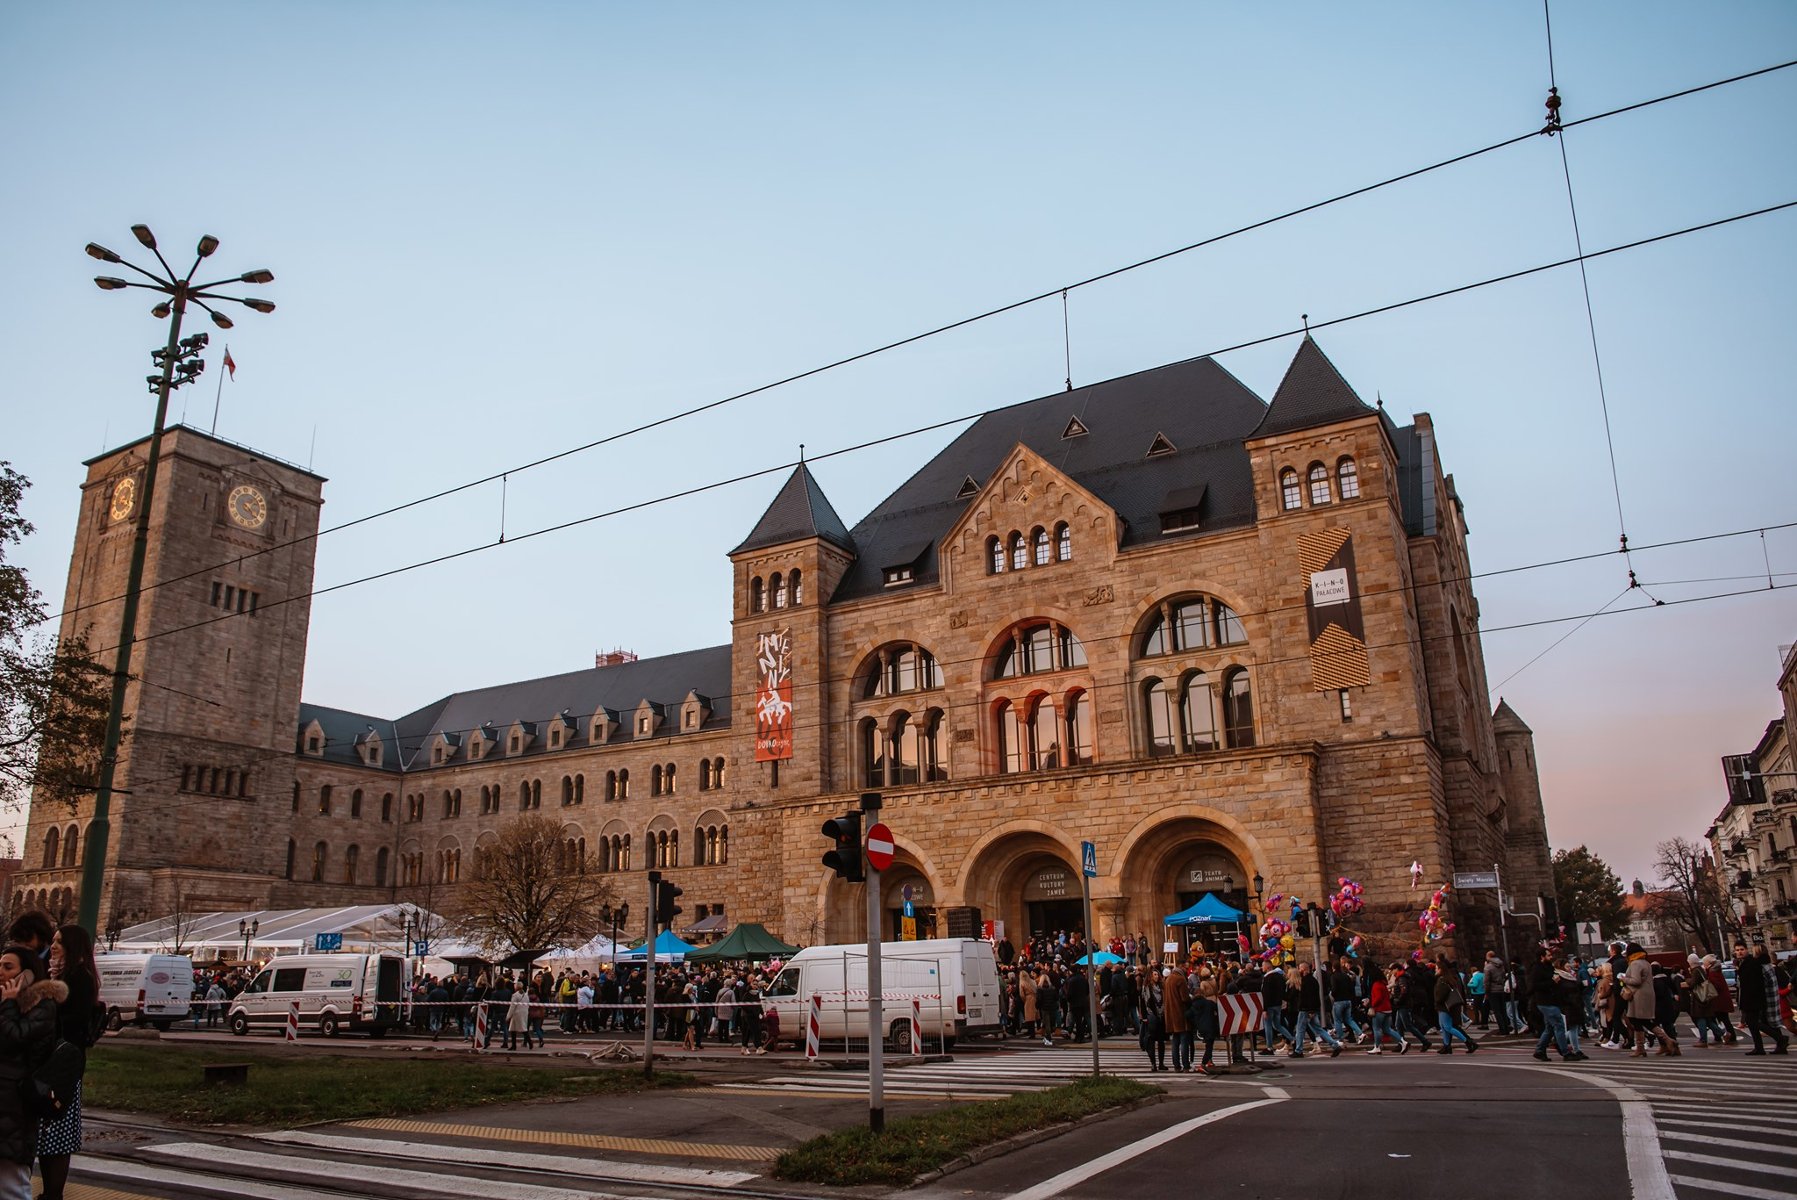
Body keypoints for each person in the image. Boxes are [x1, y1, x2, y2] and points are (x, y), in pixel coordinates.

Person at [36, 926, 100, 1200]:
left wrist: (46, 1014)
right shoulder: (60, 974)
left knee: (56, 1135)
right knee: (47, 1135)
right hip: (52, 1063)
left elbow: (74, 1020)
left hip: (62, 1066)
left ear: (73, 945)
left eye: (60, 941)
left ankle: (53, 1195)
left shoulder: (79, 977)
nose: (54, 945)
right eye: (53, 941)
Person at [0, 944, 64, 1200]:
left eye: (8, 967)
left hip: (14, 1102)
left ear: (26, 974)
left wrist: (9, 1005)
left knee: (11, 1181)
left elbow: (14, 1039)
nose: (1, 972)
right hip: (5, 1099)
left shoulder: (40, 1005)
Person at [1734, 942, 1789, 1055]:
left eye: (1742, 949)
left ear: (1747, 950)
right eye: (1737, 950)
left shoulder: (1752, 963)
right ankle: (1763, 1046)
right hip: (1754, 999)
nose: (1739, 952)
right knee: (1759, 1022)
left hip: (1754, 999)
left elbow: (1754, 984)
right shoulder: (1746, 963)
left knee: (1754, 1022)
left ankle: (1780, 1038)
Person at [1622, 943, 1674, 1058]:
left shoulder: (1635, 964)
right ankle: (1667, 1041)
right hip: (1647, 994)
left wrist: (1624, 979)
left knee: (1636, 1020)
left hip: (1638, 995)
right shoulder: (1646, 963)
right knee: (1644, 1021)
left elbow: (1636, 981)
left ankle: (1643, 1047)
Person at [1292, 962, 1341, 1058]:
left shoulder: (1307, 981)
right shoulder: (1312, 980)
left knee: (1300, 1029)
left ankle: (1298, 1050)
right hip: (1311, 1009)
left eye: (1300, 969)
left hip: (1306, 1009)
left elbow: (1309, 997)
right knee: (1318, 1029)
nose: (1299, 971)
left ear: (1305, 969)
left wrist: (1310, 1010)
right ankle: (1335, 1045)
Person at [1432, 958, 1477, 1053]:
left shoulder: (1442, 980)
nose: (1435, 970)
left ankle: (1468, 1042)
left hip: (1445, 1006)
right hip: (1448, 1006)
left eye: (1436, 968)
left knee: (1448, 1027)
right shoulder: (1448, 978)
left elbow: (1440, 995)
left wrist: (1437, 1000)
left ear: (1440, 969)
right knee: (1444, 1027)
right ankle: (1446, 1045)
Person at [1366, 963, 1406, 1054]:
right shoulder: (1383, 984)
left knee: (1377, 1028)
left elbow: (1378, 998)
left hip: (1379, 1009)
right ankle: (1403, 1041)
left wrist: (1372, 1005)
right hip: (1387, 1008)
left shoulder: (1376, 985)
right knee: (1387, 1029)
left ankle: (1377, 1046)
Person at [1161, 966, 1192, 1070]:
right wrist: (1190, 999)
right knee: (1184, 1041)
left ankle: (1176, 1065)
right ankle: (1186, 1065)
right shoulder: (1180, 979)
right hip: (1180, 1013)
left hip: (1170, 1014)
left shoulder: (1168, 979)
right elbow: (1185, 998)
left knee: (1175, 1041)